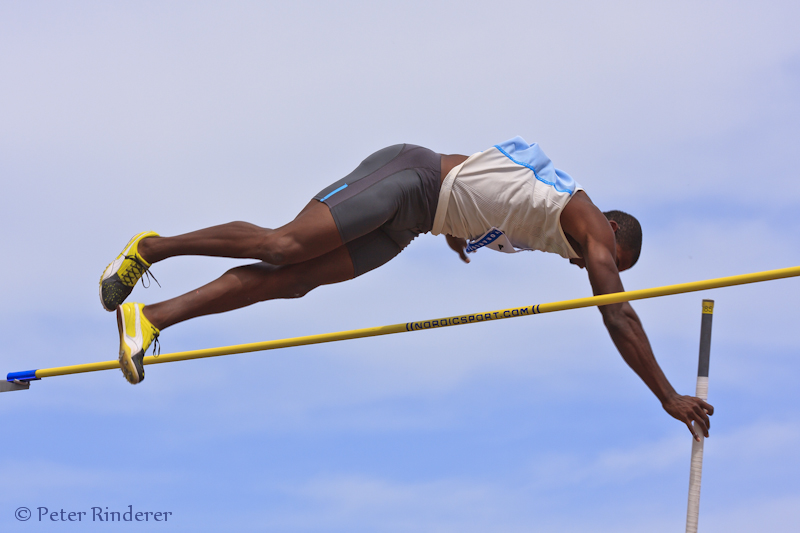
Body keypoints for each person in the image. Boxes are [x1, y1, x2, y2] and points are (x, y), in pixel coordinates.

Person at [100, 137, 713, 440]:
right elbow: (619, 315)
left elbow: (494, 190)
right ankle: (152, 247)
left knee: (294, 283)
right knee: (283, 246)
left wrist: (458, 229)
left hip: (416, 222)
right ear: (609, 230)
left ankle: (150, 318)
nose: (594, 265)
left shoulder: (558, 230)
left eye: (602, 263)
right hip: (407, 179)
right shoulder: (588, 227)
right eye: (607, 256)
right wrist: (665, 396)